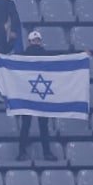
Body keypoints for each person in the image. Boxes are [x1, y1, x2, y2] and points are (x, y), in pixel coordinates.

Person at [15, 31, 58, 161]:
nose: (36, 43)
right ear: (30, 42)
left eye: (38, 40)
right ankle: (43, 152)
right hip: (35, 93)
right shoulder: (46, 56)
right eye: (34, 41)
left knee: (33, 125)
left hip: (34, 93)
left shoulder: (22, 56)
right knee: (33, 124)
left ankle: (25, 152)